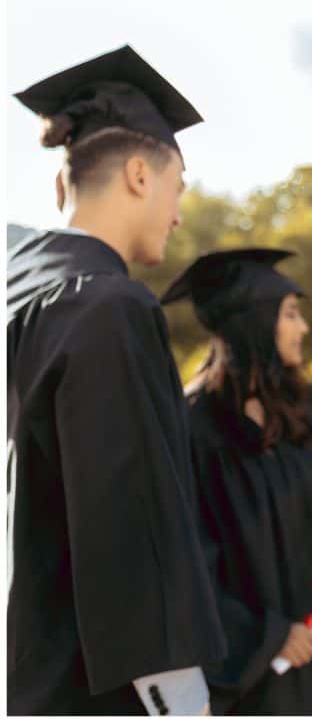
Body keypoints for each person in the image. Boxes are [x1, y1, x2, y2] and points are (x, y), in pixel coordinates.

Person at [7, 44, 227, 714]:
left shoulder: (16, 291)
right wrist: (181, 697)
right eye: (177, 187)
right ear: (138, 173)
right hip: (83, 685)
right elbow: (131, 527)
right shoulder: (108, 305)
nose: (179, 211)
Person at [161, 248, 312, 714]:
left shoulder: (292, 414)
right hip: (241, 668)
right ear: (255, 321)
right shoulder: (193, 427)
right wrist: (270, 637)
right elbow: (183, 564)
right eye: (291, 314)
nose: (303, 328)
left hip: (305, 653)